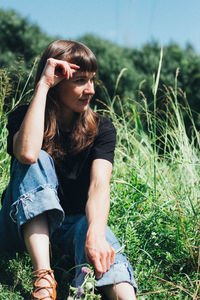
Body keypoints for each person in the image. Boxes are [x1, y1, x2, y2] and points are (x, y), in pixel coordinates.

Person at [0, 40, 137, 300]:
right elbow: (27, 154)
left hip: (72, 224)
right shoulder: (23, 117)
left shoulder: (102, 128)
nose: (90, 90)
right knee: (37, 157)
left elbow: (99, 185)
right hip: (18, 222)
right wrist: (43, 85)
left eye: (92, 80)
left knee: (106, 251)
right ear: (58, 81)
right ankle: (44, 279)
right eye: (80, 81)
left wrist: (95, 236)